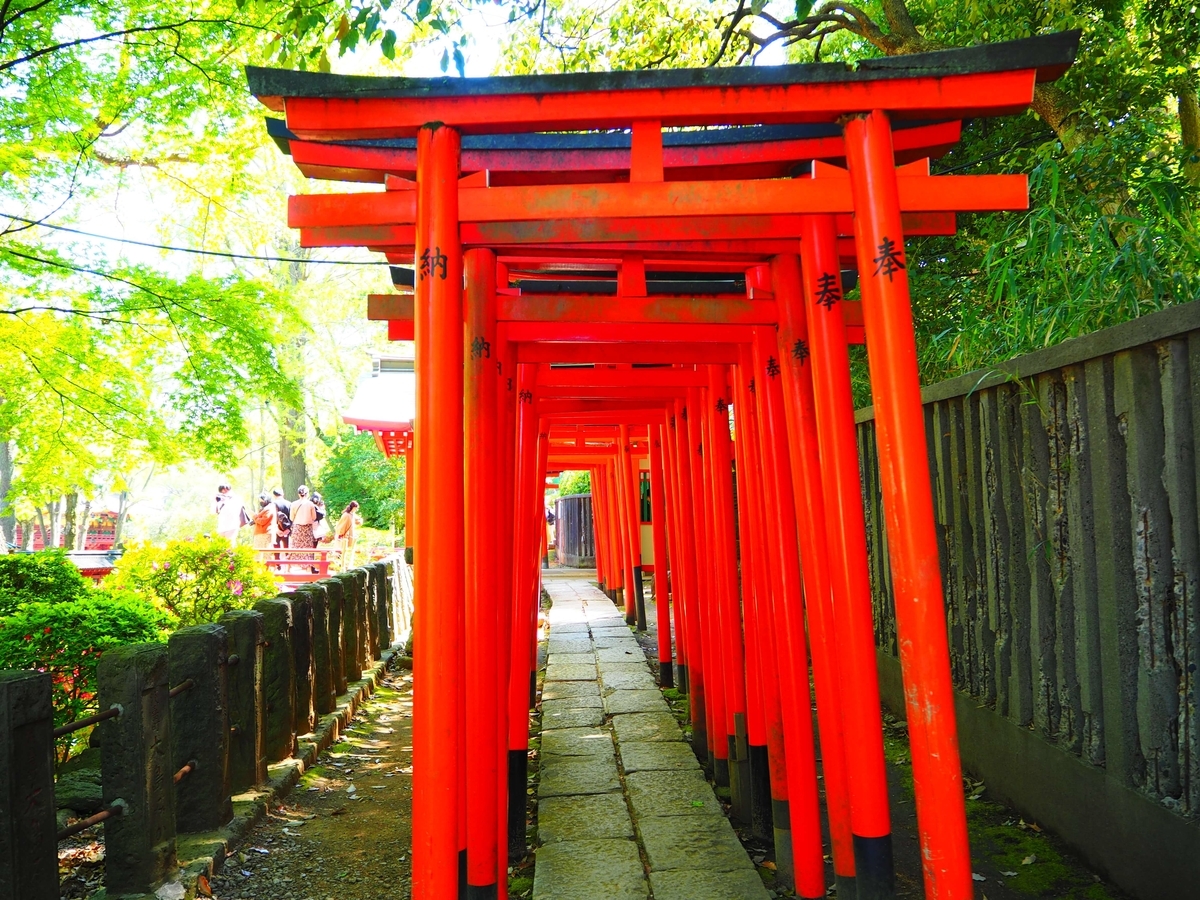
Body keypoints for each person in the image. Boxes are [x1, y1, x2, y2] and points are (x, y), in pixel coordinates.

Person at [290, 485, 318, 550]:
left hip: (297, 528)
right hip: (307, 529)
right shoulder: (311, 504)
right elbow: (314, 517)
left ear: (298, 494)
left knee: (297, 548)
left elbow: (291, 518)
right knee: (307, 548)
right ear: (307, 493)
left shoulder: (293, 504)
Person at [334, 500, 361, 569]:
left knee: (346, 550)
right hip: (343, 536)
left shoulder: (352, 515)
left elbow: (358, 520)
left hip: (348, 536)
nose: (357, 510)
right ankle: (339, 565)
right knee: (341, 551)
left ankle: (345, 565)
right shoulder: (346, 515)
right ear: (354, 508)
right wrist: (340, 534)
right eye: (356, 508)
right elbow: (341, 526)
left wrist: (360, 520)